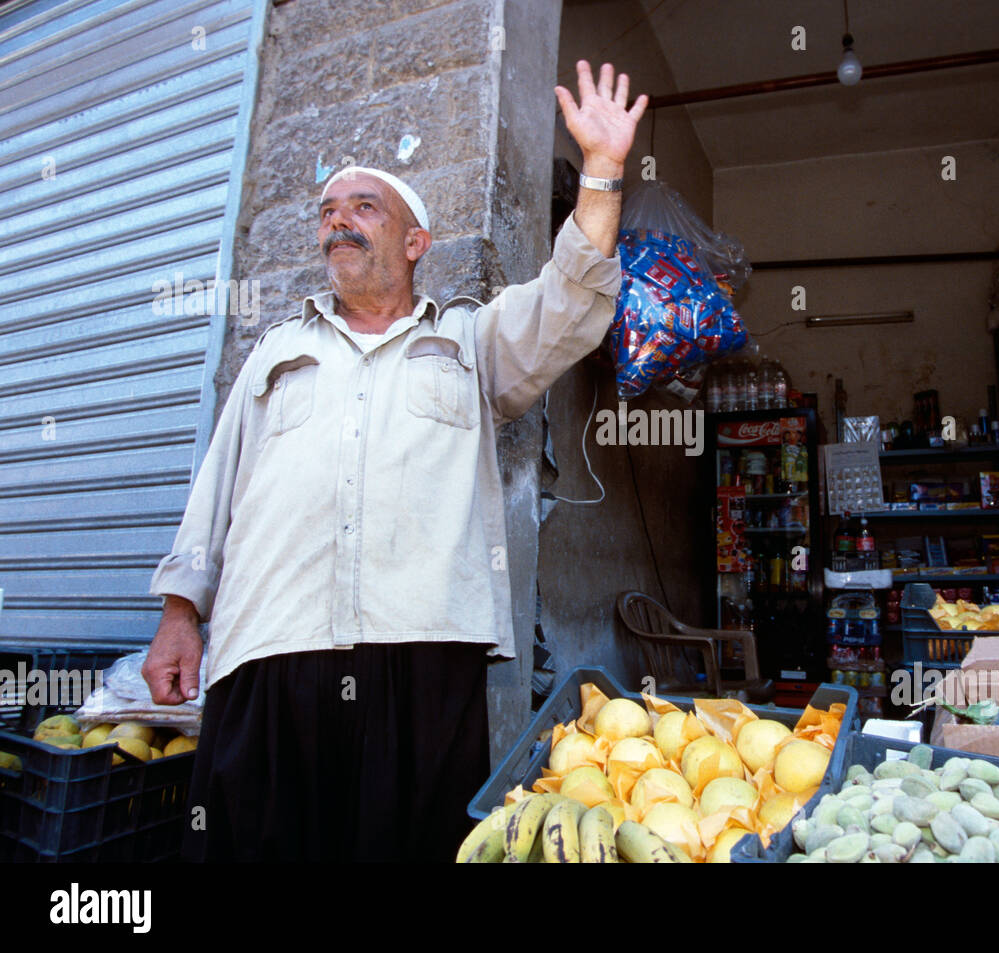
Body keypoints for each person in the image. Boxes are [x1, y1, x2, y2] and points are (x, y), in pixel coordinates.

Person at [141, 61, 647, 861]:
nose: (338, 222)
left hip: (421, 661)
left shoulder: (469, 344)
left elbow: (569, 302)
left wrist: (603, 171)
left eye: (363, 208)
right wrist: (179, 613)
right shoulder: (275, 354)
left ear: (416, 243)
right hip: (269, 652)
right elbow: (216, 490)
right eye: (328, 211)